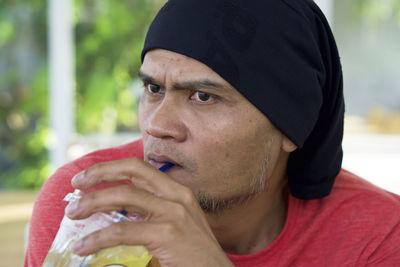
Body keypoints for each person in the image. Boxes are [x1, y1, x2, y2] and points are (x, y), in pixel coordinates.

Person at [25, 0, 400, 266]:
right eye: (154, 89)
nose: (157, 126)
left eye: (203, 96)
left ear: (292, 126)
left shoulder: (378, 238)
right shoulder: (85, 204)